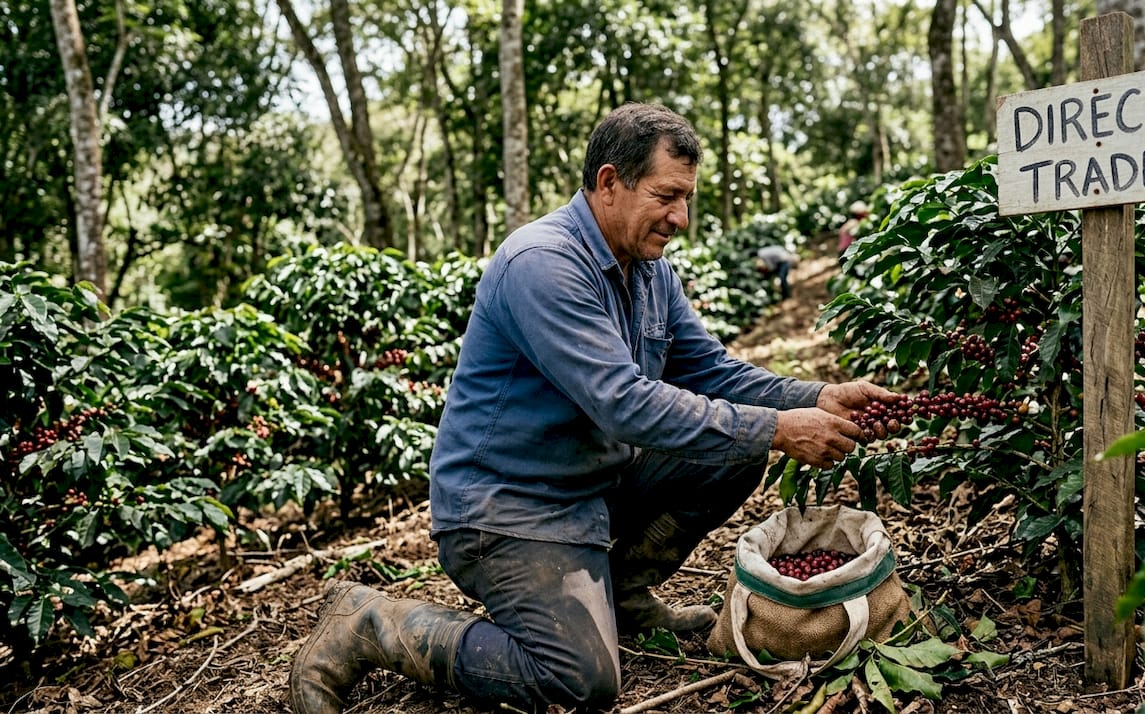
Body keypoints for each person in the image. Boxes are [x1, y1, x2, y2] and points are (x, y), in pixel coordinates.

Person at [289, 102, 899, 714]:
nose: (680, 217)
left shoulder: (649, 271)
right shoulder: (543, 264)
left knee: (732, 455)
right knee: (580, 683)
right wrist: (775, 428)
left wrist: (814, 397)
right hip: (509, 509)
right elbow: (623, 404)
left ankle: (622, 594)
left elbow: (711, 371)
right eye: (666, 196)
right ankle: (370, 622)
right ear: (610, 183)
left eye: (686, 198)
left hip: (594, 488)